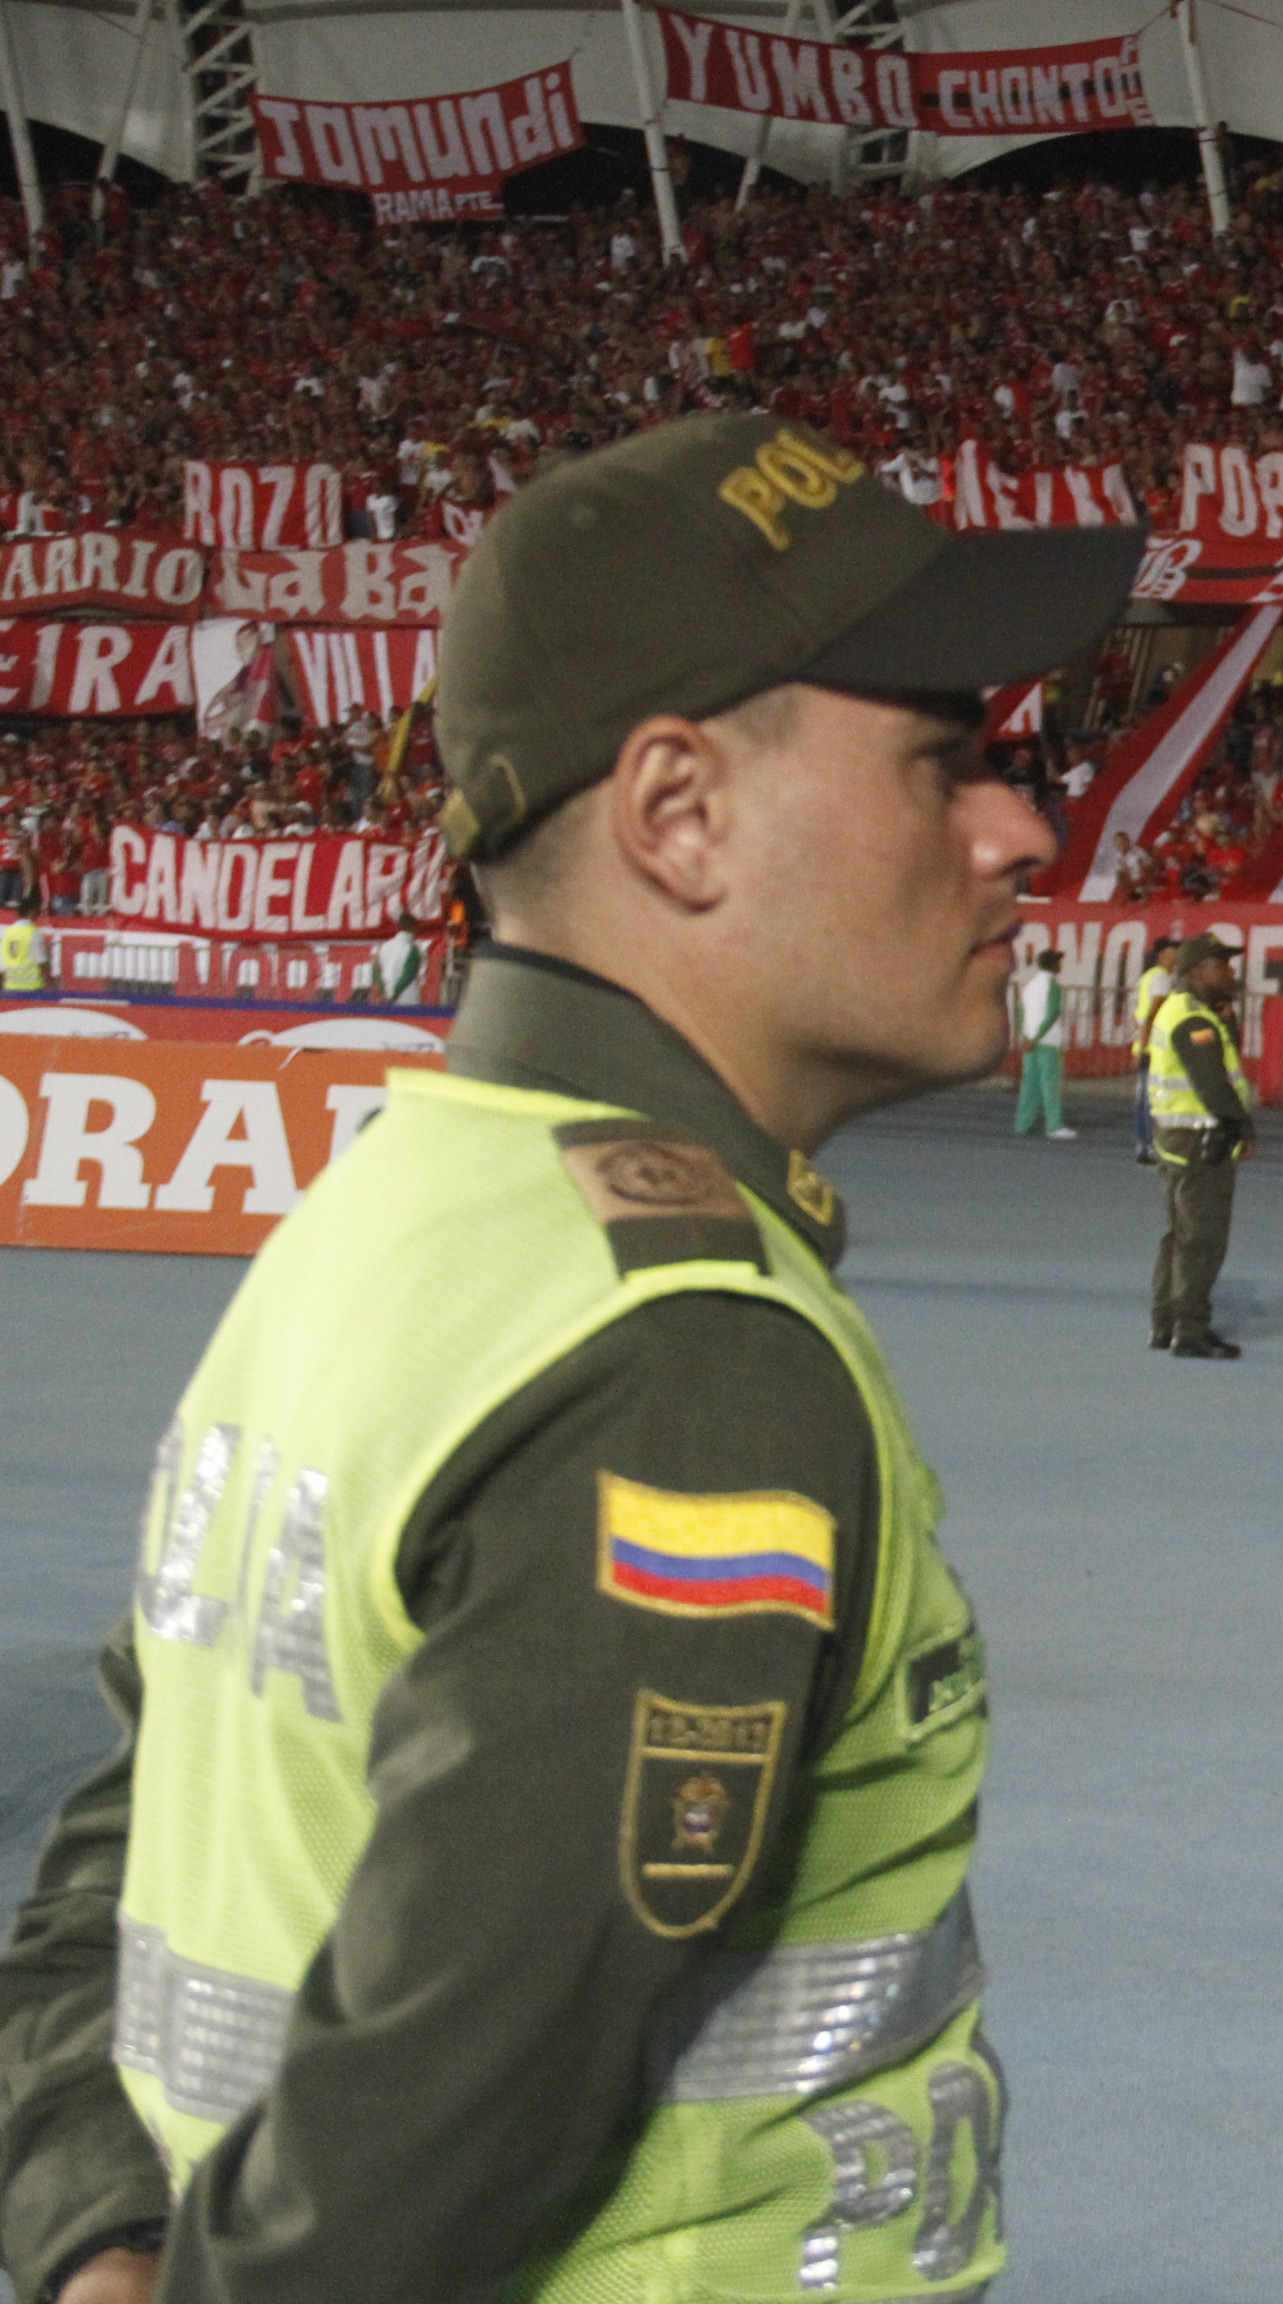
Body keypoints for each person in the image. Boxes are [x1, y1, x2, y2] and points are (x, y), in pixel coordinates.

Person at [0, 411, 1133, 2304]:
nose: (1019, 831)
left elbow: (124, 1843)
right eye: (942, 758)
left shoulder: (393, 1214)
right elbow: (421, 2160)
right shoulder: (683, 1355)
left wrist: (94, 2228)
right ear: (677, 812)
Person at [1148, 934, 1254, 1355]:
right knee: (1203, 1239)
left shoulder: (1186, 1011)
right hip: (1198, 1140)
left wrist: (1228, 1020)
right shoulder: (1194, 1021)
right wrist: (1243, 1128)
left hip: (1178, 1137)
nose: (1230, 971)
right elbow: (1213, 1084)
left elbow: (1224, 1062)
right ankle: (1190, 1330)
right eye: (1221, 965)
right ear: (1197, 972)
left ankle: (1165, 1324)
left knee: (1179, 1235)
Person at [1010, 945, 1074, 1138]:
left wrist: (1024, 1036)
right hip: (1047, 1041)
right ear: (1054, 965)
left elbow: (1020, 1012)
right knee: (1050, 1084)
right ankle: (1054, 1125)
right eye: (1059, 962)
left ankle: (1022, 1124)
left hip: (1029, 1041)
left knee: (1029, 1085)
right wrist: (1037, 1036)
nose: (1061, 966)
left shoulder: (1030, 985)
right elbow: (1053, 1012)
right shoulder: (1052, 985)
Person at [1129, 932, 1180, 1163]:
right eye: (1174, 951)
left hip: (1145, 1045)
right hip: (1155, 1049)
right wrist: (1146, 1044)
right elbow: (1154, 1013)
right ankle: (1151, 1146)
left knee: (1143, 1099)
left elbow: (1137, 1013)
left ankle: (1143, 1145)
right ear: (1163, 954)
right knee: (1154, 1100)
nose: (1178, 955)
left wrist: (1140, 1043)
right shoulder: (1161, 979)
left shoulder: (1147, 977)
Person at [2, 897, 51, 993]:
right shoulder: (34, 932)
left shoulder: (7, 932)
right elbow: (41, 960)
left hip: (11, 985)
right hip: (32, 986)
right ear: (31, 911)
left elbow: (3, 962)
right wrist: (49, 982)